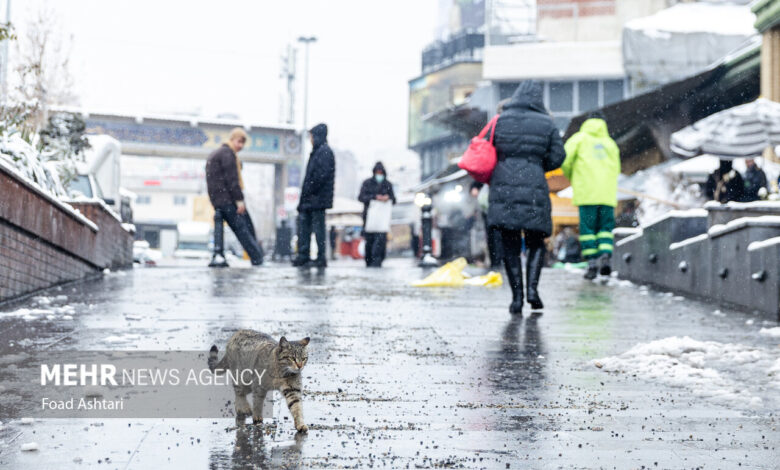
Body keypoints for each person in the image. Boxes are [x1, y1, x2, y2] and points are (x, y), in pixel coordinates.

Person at [488, 81, 566, 315]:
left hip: (504, 187)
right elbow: (558, 156)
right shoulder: (547, 123)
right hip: (534, 186)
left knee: (510, 244)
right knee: (536, 240)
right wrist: (537, 164)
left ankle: (517, 298)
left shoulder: (500, 120)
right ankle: (532, 290)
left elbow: (487, 149)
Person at [562, 113, 621, 280]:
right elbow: (616, 169)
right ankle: (605, 257)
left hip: (586, 193)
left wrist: (572, 175)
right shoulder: (610, 143)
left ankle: (592, 263)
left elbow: (564, 160)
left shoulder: (579, 139)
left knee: (588, 230)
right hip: (607, 194)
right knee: (605, 229)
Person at [205, 127, 264, 267]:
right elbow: (232, 181)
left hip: (218, 200)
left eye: (243, 143)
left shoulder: (218, 153)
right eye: (239, 141)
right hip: (228, 200)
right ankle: (257, 258)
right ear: (232, 139)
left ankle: (219, 254)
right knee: (243, 230)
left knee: (242, 227)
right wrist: (239, 201)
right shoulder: (228, 154)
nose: (241, 146)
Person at [293, 123, 335, 268]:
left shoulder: (324, 152)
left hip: (316, 200)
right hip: (311, 199)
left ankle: (319, 257)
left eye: (311, 136)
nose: (310, 139)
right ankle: (304, 256)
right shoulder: (318, 151)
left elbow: (319, 177)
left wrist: (309, 191)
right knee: (305, 227)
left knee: (317, 229)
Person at [358, 162, 396, 267]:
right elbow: (361, 197)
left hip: (382, 219)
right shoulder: (367, 183)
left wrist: (387, 198)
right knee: (369, 240)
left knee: (380, 240)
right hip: (369, 218)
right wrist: (375, 197)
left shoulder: (388, 185)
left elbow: (393, 199)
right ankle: (369, 260)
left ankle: (378, 260)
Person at [470, 182, 503, 269]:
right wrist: (474, 187)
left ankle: (497, 261)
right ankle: (496, 262)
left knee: (497, 237)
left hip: (496, 209)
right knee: (492, 238)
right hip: (490, 210)